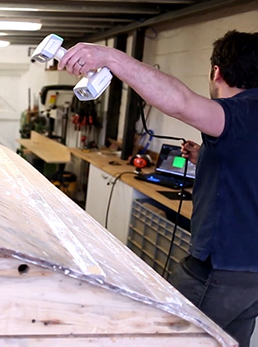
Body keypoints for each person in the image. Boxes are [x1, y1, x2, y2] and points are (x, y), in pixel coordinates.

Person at [58, 30, 258, 347]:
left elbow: (180, 103)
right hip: (250, 275)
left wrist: (110, 57)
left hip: (219, 271)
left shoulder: (241, 113)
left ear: (216, 72)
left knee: (165, 338)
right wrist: (204, 155)